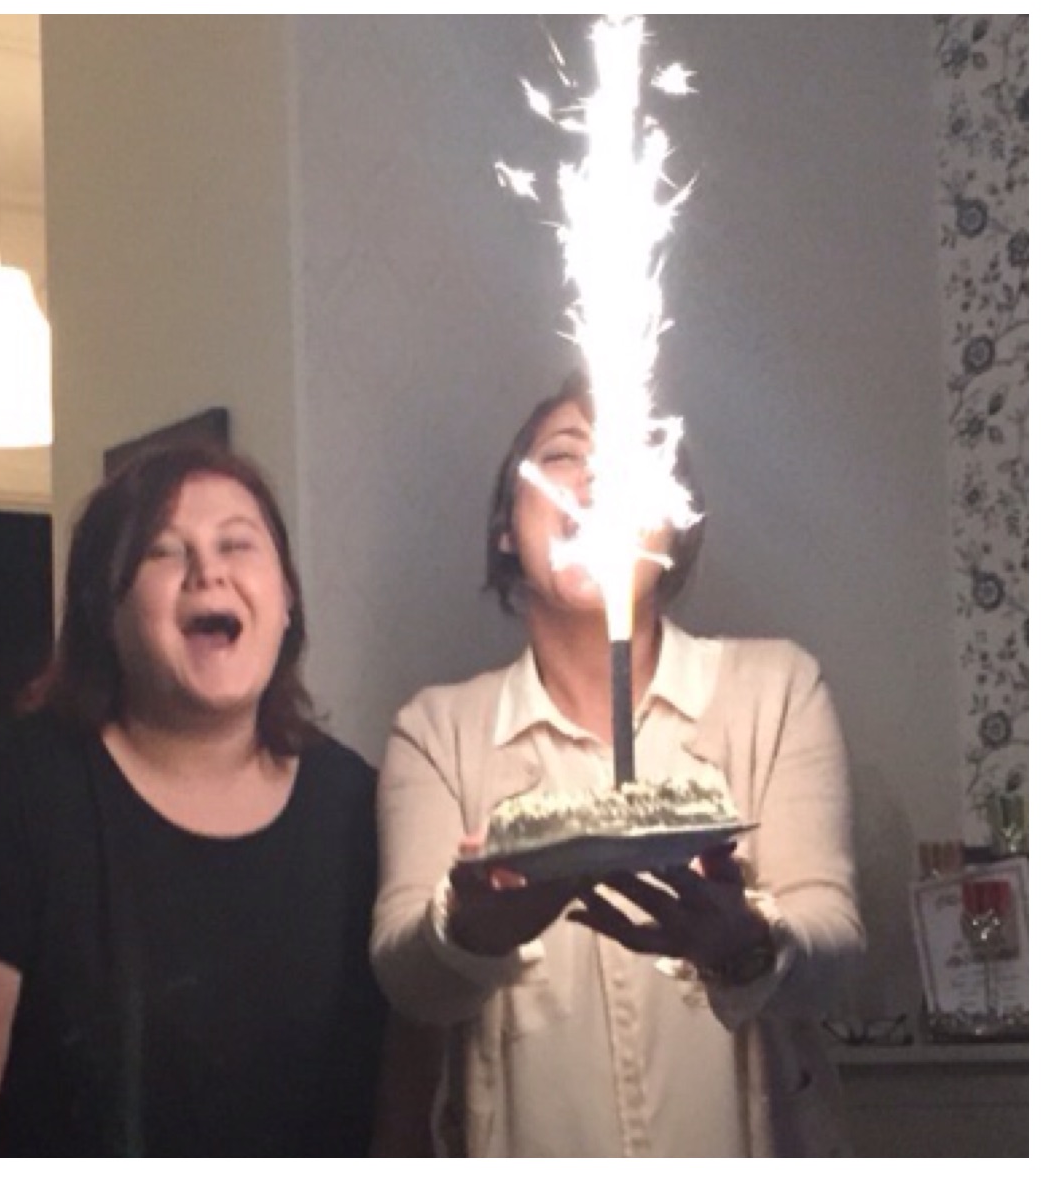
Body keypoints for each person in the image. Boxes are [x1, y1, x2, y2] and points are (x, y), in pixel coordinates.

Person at [370, 373, 866, 1157]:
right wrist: (466, 929)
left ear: (672, 521)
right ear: (507, 527)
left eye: (633, 459)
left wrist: (747, 944)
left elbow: (833, 951)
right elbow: (409, 982)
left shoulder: (776, 692)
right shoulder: (438, 733)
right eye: (563, 456)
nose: (597, 478)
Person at [0, 443, 393, 1157]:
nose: (208, 571)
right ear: (104, 610)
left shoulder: (359, 807)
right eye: (163, 551)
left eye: (237, 544)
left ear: (286, 602)